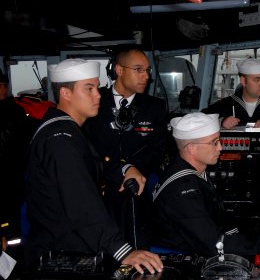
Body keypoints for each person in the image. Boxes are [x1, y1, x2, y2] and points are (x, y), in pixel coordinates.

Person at [24, 59, 163, 274]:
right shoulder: (60, 140)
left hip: (75, 243)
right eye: (88, 89)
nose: (98, 95)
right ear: (66, 93)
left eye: (97, 88)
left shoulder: (71, 130)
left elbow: (99, 161)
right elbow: (81, 204)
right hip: (61, 255)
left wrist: (126, 169)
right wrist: (122, 251)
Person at [151, 112, 260, 257]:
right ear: (192, 149)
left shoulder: (188, 169)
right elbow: (215, 245)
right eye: (214, 143)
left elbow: (217, 217)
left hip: (197, 242)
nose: (220, 147)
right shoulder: (183, 191)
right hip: (185, 256)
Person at [84, 45, 168, 250]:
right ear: (119, 70)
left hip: (137, 190)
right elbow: (88, 147)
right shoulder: (94, 102)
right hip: (99, 190)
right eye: (138, 69)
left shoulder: (155, 106)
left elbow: (156, 150)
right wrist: (119, 169)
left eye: (147, 70)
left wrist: (132, 168)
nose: (146, 76)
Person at [0, 70, 33, 249]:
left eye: (5, 85)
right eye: (0, 86)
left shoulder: (15, 110)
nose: (3, 90)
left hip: (16, 175)